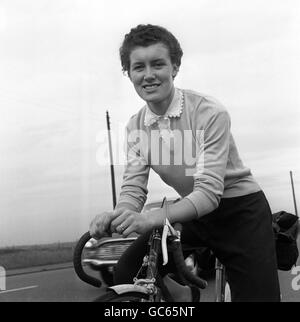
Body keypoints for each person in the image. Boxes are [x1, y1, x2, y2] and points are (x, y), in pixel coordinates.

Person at [90, 24, 281, 302]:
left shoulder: (208, 112)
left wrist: (150, 218)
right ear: (128, 73)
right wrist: (118, 216)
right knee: (128, 270)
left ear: (175, 67)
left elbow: (209, 194)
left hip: (240, 213)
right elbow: (133, 190)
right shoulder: (135, 127)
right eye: (138, 67)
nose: (148, 75)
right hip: (192, 213)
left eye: (158, 64)